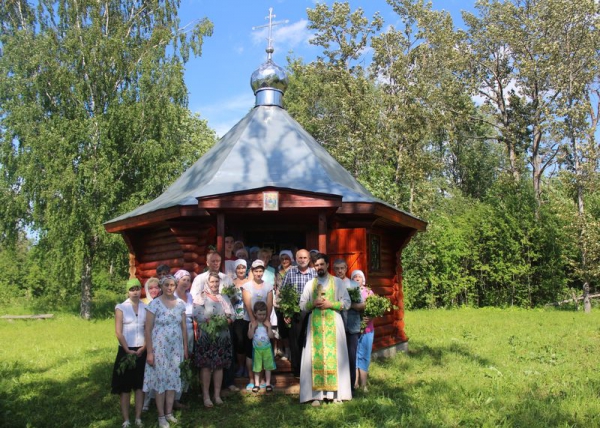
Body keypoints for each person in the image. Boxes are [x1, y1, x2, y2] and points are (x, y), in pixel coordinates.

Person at [299, 253, 351, 406]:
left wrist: (331, 304)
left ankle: (336, 394)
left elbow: (346, 303)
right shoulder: (310, 284)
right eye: (316, 265)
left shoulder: (338, 283)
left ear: (328, 265)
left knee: (336, 357)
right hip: (314, 327)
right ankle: (316, 396)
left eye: (322, 264)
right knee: (314, 359)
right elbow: (302, 305)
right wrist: (312, 303)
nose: (319, 267)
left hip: (333, 324)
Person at [143, 276, 188, 428]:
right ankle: (161, 416)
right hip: (159, 348)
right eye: (167, 285)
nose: (170, 287)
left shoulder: (181, 304)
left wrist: (185, 349)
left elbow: (183, 327)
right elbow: (147, 329)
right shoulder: (154, 304)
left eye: (172, 285)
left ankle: (169, 413)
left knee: (172, 379)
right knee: (161, 380)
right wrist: (149, 352)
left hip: (175, 349)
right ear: (161, 286)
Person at [193, 272, 235, 408]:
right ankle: (206, 396)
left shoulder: (224, 297)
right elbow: (197, 315)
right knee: (206, 366)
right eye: (212, 282)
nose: (215, 284)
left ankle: (216, 395)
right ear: (207, 283)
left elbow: (232, 314)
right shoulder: (201, 297)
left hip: (222, 337)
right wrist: (211, 323)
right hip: (207, 337)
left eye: (217, 282)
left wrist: (227, 320)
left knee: (219, 366)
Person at [111, 278, 147, 428]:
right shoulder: (121, 307)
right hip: (126, 351)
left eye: (137, 289)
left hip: (141, 350)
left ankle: (138, 417)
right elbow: (118, 332)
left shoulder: (146, 307)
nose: (135, 292)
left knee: (140, 386)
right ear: (127, 291)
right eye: (132, 289)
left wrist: (144, 347)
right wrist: (127, 349)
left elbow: (148, 329)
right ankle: (126, 419)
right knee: (125, 388)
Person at [281, 249, 316, 377]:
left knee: (309, 340)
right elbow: (283, 293)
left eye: (305, 257)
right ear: (296, 259)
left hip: (312, 310)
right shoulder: (290, 273)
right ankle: (297, 370)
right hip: (295, 311)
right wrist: (286, 312)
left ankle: (310, 369)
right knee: (295, 341)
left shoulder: (314, 273)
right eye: (300, 257)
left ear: (309, 259)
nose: (302, 260)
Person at [241, 259, 273, 390]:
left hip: (263, 320)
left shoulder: (268, 285)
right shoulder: (247, 286)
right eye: (256, 271)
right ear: (252, 271)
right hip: (250, 320)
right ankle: (252, 379)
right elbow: (248, 303)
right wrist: (253, 319)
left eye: (261, 271)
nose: (258, 273)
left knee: (264, 350)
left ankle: (265, 379)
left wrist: (266, 319)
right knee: (251, 352)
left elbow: (269, 303)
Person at [334, 259, 363, 397]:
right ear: (333, 269)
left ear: (346, 269)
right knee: (337, 356)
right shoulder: (332, 283)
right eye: (337, 268)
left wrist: (346, 304)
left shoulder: (353, 284)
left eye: (342, 268)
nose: (340, 271)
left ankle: (351, 387)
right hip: (335, 326)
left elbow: (361, 305)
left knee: (351, 357)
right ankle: (338, 386)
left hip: (351, 326)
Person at [173, 270, 194, 409]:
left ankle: (182, 393)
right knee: (176, 361)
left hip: (190, 330)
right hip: (177, 331)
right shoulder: (172, 296)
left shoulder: (190, 296)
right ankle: (173, 396)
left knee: (187, 360)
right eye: (183, 279)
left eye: (188, 280)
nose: (186, 282)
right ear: (177, 280)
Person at [351, 270, 374, 392]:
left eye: (359, 276)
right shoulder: (349, 292)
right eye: (354, 277)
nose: (357, 278)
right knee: (354, 355)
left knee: (364, 355)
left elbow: (375, 308)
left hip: (367, 329)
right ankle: (355, 383)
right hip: (353, 329)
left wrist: (370, 317)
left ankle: (364, 384)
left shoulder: (369, 292)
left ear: (363, 279)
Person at [248, 301, 275, 393]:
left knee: (268, 367)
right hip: (257, 350)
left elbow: (271, 336)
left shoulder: (267, 323)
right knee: (257, 367)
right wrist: (252, 328)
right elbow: (250, 336)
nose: (262, 316)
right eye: (259, 314)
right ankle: (256, 384)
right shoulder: (252, 324)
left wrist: (269, 328)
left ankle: (267, 384)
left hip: (267, 349)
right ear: (255, 314)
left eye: (264, 314)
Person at [274, 250, 294, 359]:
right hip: (280, 304)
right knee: (282, 330)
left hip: (291, 304)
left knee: (291, 329)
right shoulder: (278, 272)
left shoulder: (294, 271)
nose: (284, 261)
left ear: (291, 260)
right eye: (282, 259)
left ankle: (292, 351)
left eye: (287, 258)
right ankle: (287, 351)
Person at [231, 259, 248, 377]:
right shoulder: (231, 283)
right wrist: (233, 299)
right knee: (240, 342)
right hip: (237, 317)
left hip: (248, 315)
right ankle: (241, 366)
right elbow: (226, 300)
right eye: (238, 268)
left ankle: (249, 367)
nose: (241, 270)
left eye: (243, 268)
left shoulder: (249, 282)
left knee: (249, 341)